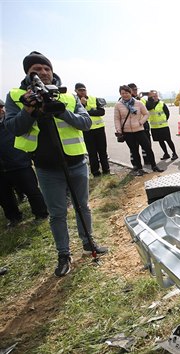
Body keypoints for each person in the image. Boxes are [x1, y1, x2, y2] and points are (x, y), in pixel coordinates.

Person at [4, 51, 109, 276]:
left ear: (52, 71)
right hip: (46, 167)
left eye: (46, 69)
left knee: (83, 206)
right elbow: (13, 128)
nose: (43, 73)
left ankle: (89, 242)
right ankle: (64, 253)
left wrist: (62, 113)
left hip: (76, 162)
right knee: (58, 213)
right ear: (27, 73)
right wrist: (29, 110)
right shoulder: (16, 96)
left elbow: (86, 122)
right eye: (36, 70)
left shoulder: (68, 96)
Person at [0, 98, 48, 227]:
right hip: (2, 169)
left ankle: (41, 214)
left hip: (19, 164)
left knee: (32, 191)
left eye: (1, 107)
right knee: (5, 197)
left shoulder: (11, 122)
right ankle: (13, 218)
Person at [114, 85, 163, 176]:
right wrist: (118, 130)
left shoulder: (138, 103)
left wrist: (141, 122)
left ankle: (154, 166)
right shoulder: (118, 105)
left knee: (147, 148)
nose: (125, 95)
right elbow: (117, 119)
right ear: (120, 94)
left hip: (139, 130)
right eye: (122, 93)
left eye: (127, 93)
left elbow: (146, 114)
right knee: (134, 150)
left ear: (130, 93)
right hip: (127, 132)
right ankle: (139, 168)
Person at [74, 83, 109, 177]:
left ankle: (106, 170)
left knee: (103, 151)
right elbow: (76, 115)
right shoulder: (74, 101)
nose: (82, 92)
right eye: (80, 90)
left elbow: (101, 112)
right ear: (76, 91)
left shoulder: (94, 99)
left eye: (83, 90)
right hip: (86, 130)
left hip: (99, 128)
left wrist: (87, 112)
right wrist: (82, 105)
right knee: (92, 152)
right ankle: (95, 172)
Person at [146, 90, 177, 161]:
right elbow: (148, 108)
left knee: (168, 140)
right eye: (153, 96)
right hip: (154, 127)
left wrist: (164, 120)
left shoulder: (162, 103)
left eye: (156, 96)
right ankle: (166, 153)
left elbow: (167, 113)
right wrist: (149, 100)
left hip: (163, 126)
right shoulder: (149, 104)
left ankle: (174, 153)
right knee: (160, 141)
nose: (155, 97)